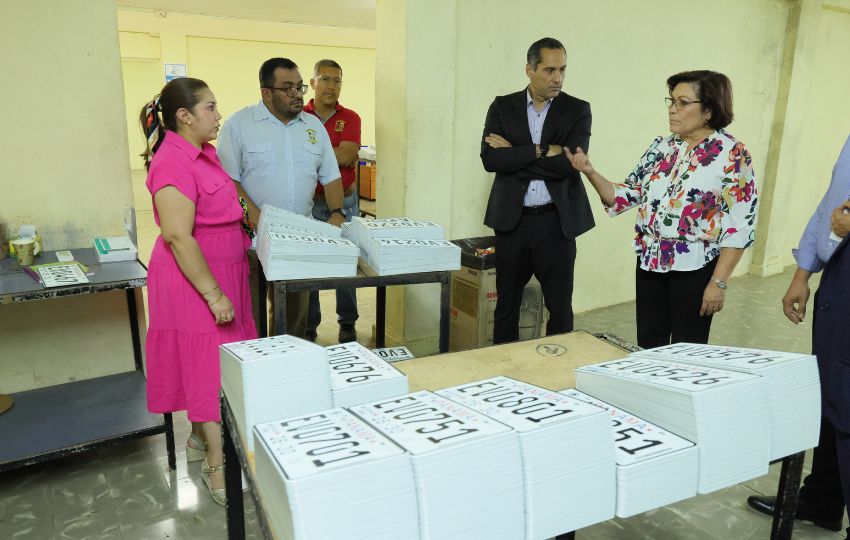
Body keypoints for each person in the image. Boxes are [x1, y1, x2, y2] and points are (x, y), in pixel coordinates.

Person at [565, 70, 758, 348]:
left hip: (695, 267)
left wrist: (719, 282)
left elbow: (740, 226)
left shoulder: (731, 153)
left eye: (682, 103)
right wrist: (590, 172)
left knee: (686, 350)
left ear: (709, 110)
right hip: (650, 262)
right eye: (670, 101)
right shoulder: (663, 147)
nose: (672, 110)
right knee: (648, 345)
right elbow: (626, 195)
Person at [140, 77, 257, 506]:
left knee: (216, 364)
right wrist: (213, 294)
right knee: (210, 370)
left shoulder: (203, 155)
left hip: (221, 272)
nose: (218, 114)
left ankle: (196, 438)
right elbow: (177, 234)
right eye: (210, 107)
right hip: (195, 280)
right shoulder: (171, 161)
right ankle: (216, 465)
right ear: (184, 116)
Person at [745, 134, 850, 534]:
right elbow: (832, 200)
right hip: (840, 274)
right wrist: (802, 272)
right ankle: (822, 500)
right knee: (830, 394)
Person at [218, 58, 346, 339]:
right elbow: (229, 182)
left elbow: (331, 176)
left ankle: (287, 371)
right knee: (249, 318)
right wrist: (253, 217)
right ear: (266, 92)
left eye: (299, 87)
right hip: (249, 239)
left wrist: (337, 212)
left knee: (292, 323)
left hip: (297, 242)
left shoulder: (313, 127)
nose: (297, 94)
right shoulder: (239, 125)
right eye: (287, 88)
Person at [481, 37, 594, 344]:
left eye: (562, 70)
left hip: (556, 222)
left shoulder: (577, 110)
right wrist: (544, 150)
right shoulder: (502, 106)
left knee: (559, 307)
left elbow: (571, 165)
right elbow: (490, 159)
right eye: (549, 70)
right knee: (506, 305)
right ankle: (504, 365)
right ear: (529, 70)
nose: (557, 78)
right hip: (512, 222)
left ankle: (556, 367)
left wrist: (516, 154)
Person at [303, 59, 361, 343]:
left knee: (345, 265)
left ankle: (347, 323)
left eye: (337, 80)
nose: (331, 86)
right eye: (325, 79)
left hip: (345, 203)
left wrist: (311, 153)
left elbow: (347, 156)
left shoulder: (350, 117)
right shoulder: (299, 116)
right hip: (309, 204)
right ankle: (308, 325)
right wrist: (331, 152)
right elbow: (334, 156)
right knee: (310, 265)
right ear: (312, 83)